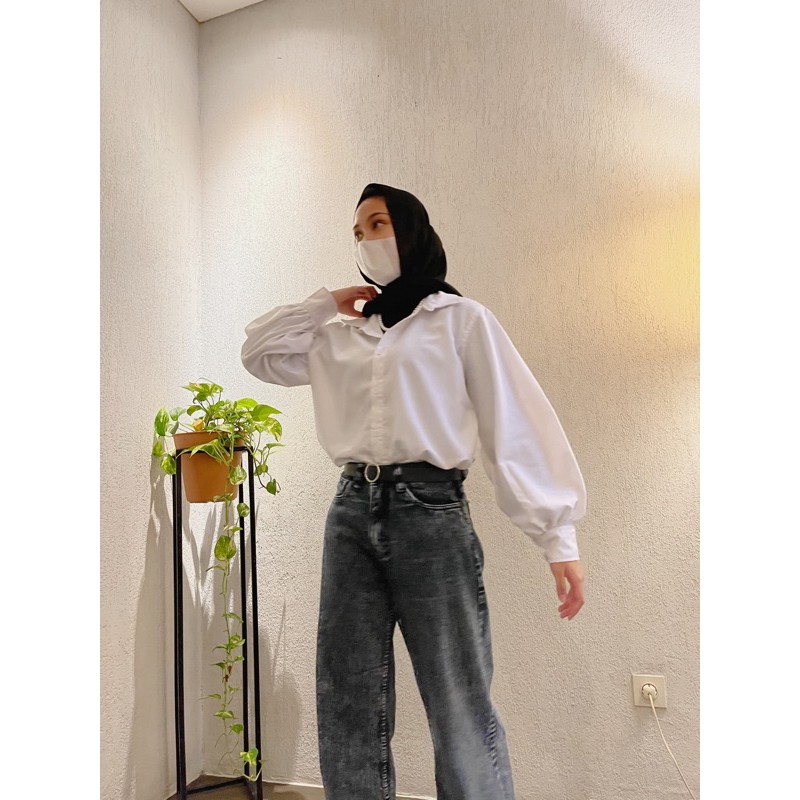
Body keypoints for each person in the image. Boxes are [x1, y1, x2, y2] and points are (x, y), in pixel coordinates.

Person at [240, 182, 587, 800]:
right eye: (357, 232)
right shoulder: (341, 335)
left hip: (432, 512)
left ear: (412, 229)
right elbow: (259, 354)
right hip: (351, 510)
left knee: (456, 693)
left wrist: (557, 536)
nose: (366, 240)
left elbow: (513, 423)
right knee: (347, 691)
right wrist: (325, 304)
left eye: (378, 224)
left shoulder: (460, 321)